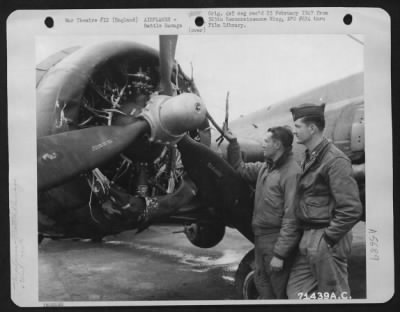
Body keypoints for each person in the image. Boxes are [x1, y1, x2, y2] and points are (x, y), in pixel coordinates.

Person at [287, 103, 363, 299]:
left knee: (334, 297)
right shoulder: (310, 157)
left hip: (326, 238)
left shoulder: (335, 160)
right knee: (296, 293)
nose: (294, 132)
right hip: (308, 236)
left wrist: (327, 239)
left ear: (312, 129)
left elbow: (351, 208)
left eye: (297, 126)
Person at [226, 126, 301, 299]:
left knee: (279, 292)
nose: (263, 145)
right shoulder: (265, 169)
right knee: (262, 285)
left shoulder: (292, 173)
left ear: (277, 145)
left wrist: (280, 255)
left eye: (266, 141)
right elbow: (240, 168)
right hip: (260, 240)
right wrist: (233, 144)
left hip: (275, 242)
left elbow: (292, 219)